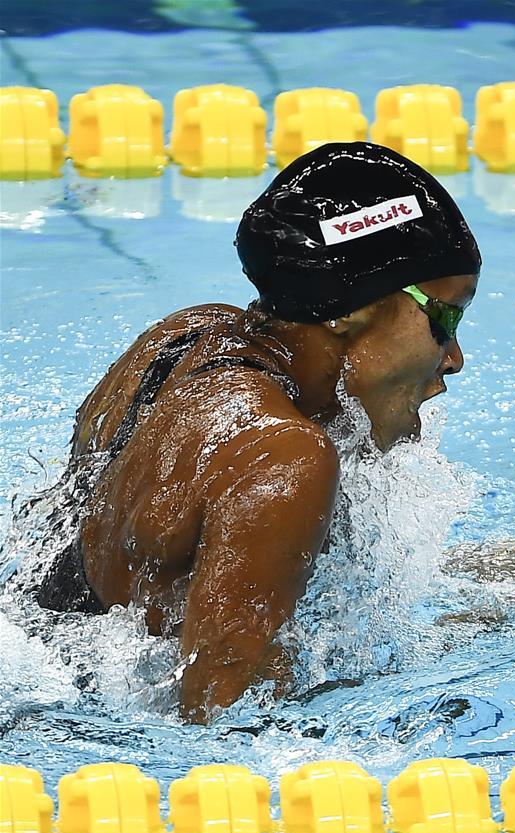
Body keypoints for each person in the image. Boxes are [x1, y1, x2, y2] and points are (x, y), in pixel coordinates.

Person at [35, 142, 480, 723]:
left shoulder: (183, 341)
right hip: (81, 731)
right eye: (446, 316)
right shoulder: (285, 457)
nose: (454, 358)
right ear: (348, 308)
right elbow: (225, 727)